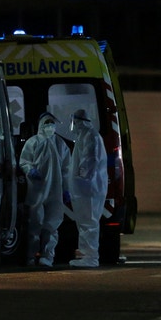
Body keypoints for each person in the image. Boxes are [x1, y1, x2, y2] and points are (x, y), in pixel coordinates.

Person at [19, 111, 70, 267]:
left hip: (55, 191)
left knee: (52, 225)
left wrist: (66, 189)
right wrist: (30, 170)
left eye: (51, 123)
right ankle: (31, 256)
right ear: (41, 124)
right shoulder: (33, 142)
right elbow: (24, 162)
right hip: (37, 191)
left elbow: (66, 168)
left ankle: (47, 257)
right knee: (35, 224)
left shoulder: (60, 144)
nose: (50, 126)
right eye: (47, 123)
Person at [67, 109, 108, 268]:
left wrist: (80, 177)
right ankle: (86, 255)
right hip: (84, 189)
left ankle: (90, 258)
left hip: (89, 189)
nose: (74, 125)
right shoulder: (85, 136)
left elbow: (90, 159)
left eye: (75, 122)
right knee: (85, 223)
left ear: (80, 121)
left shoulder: (91, 136)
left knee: (89, 223)